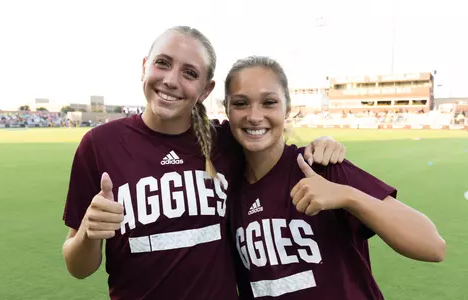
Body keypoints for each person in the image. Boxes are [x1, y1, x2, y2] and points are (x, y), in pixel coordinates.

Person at [61, 26, 346, 300]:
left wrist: (324, 142)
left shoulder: (225, 142)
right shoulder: (100, 145)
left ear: (206, 90)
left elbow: (269, 139)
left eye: (189, 73)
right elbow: (78, 268)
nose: (171, 80)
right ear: (144, 66)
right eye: (162, 63)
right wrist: (88, 231)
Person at [224, 56, 446, 300]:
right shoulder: (225, 193)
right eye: (241, 103)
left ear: (287, 108)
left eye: (269, 102)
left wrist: (347, 196)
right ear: (227, 109)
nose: (255, 116)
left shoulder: (322, 167)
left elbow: (433, 246)